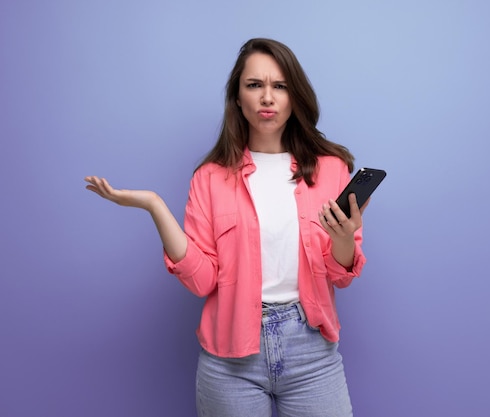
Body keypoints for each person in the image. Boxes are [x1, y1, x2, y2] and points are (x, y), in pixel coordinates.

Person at [85, 38, 367, 417]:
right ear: (237, 97)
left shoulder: (331, 169)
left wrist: (344, 238)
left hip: (312, 352)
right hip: (230, 359)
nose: (267, 97)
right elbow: (202, 281)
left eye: (279, 86)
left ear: (294, 96)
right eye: (254, 85)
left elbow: (341, 275)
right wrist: (154, 205)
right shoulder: (209, 178)